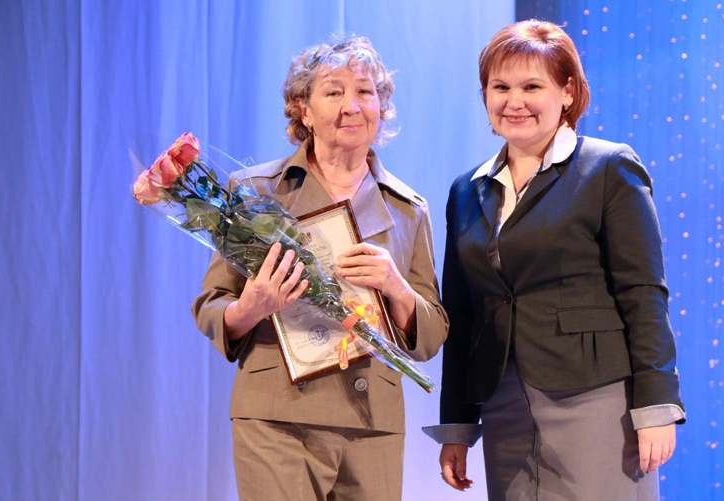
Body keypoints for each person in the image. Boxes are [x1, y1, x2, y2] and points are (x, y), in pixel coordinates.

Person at [426, 20, 686, 500]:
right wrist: (457, 423)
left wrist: (656, 404)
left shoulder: (608, 167)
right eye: (500, 87)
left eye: (531, 86)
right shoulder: (466, 190)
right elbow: (462, 314)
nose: (514, 101)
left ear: (567, 92)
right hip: (503, 402)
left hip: (594, 396)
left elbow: (644, 292)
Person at [192, 36, 448, 501]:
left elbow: (431, 334)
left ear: (381, 108)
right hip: (276, 417)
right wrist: (252, 306)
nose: (352, 105)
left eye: (365, 92)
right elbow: (212, 307)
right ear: (303, 110)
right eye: (334, 92)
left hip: (372, 421)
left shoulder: (409, 209)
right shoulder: (255, 191)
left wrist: (397, 289)